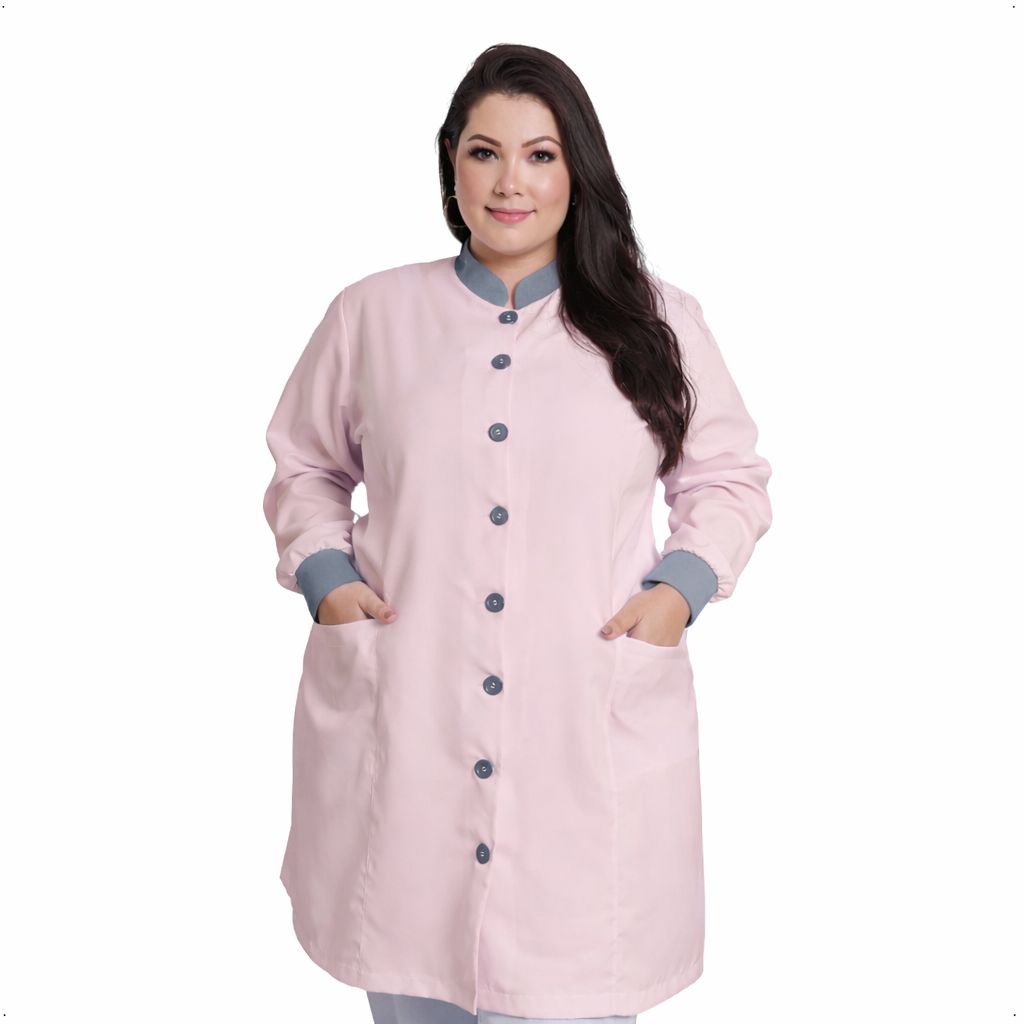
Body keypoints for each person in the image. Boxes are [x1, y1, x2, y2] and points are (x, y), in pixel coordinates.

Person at [263, 43, 773, 1024]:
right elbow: (305, 465)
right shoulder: (373, 315)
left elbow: (726, 477)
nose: (511, 183)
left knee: (574, 979)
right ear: (450, 164)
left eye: (541, 155)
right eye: (484, 152)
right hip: (409, 732)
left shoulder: (656, 321)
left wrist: (678, 592)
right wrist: (327, 577)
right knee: (414, 974)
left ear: (577, 171)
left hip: (585, 735)